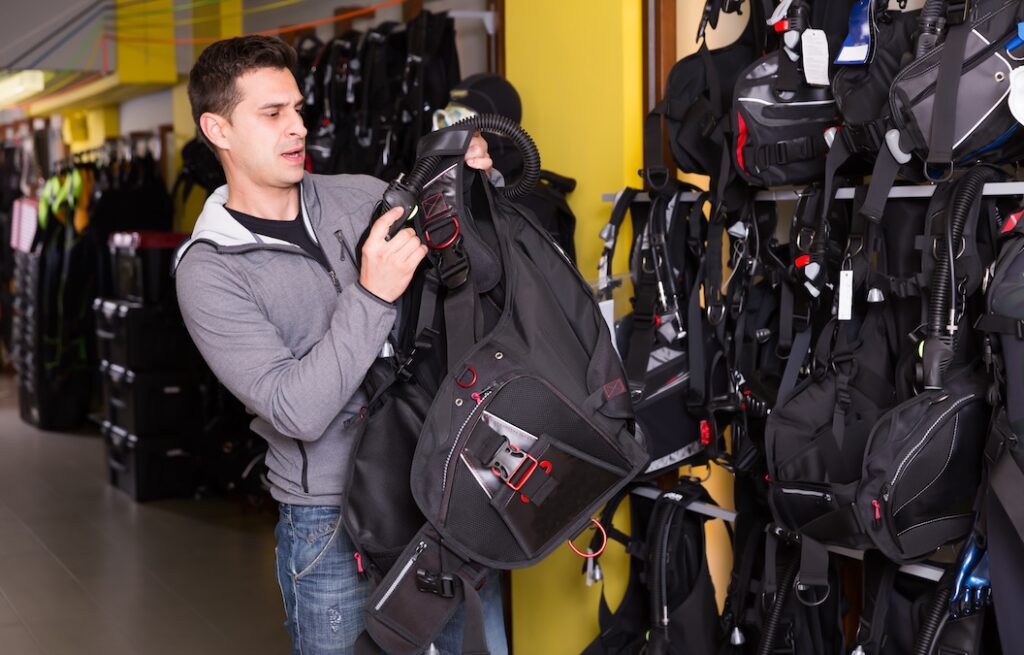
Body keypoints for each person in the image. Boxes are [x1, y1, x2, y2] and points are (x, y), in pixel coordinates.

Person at [173, 35, 508, 655]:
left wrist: (476, 187)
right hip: (330, 524)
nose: (297, 127)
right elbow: (297, 408)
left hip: (441, 485)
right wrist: (373, 295)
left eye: (297, 109)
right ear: (217, 128)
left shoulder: (359, 194)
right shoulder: (209, 269)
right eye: (272, 114)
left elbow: (472, 280)